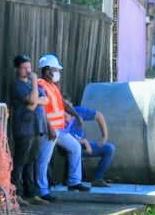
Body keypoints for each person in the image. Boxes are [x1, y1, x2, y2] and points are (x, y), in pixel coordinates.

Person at [35, 54, 90, 200]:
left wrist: (76, 115)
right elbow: (41, 111)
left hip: (60, 129)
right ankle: (42, 191)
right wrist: (50, 128)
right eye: (55, 69)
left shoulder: (53, 86)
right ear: (47, 71)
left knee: (75, 148)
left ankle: (74, 181)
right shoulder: (41, 85)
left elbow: (63, 104)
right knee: (43, 160)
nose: (58, 72)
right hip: (49, 130)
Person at [7, 54, 44, 205]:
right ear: (17, 69)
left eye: (29, 67)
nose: (28, 71)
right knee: (20, 161)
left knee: (32, 160)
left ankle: (31, 192)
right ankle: (17, 193)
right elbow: (31, 99)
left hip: (35, 127)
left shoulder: (30, 85)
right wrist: (35, 81)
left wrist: (34, 101)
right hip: (23, 127)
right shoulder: (17, 85)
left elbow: (44, 99)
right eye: (24, 68)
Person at [65, 105, 116, 186]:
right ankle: (75, 180)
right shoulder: (60, 116)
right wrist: (84, 141)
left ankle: (98, 178)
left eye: (70, 108)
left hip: (84, 146)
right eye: (66, 109)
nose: (69, 111)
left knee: (109, 148)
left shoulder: (78, 111)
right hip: (70, 147)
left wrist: (104, 136)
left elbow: (99, 115)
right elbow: (63, 137)